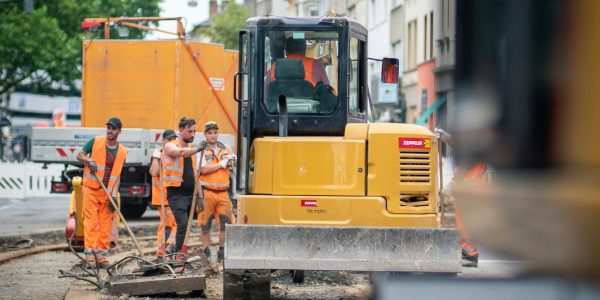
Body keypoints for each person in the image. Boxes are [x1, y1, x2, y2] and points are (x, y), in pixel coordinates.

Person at [76, 117, 128, 268]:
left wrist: (114, 194)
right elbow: (79, 155)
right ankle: (90, 257)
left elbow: (117, 175)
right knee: (90, 222)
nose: (110, 131)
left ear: (119, 131)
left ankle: (101, 257)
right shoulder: (95, 141)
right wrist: (89, 160)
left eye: (113, 129)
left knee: (106, 224)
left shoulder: (122, 152)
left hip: (108, 192)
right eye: (109, 128)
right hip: (91, 189)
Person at [435, 128, 485, 267]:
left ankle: (469, 254)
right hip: (471, 186)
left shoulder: (474, 144)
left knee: (464, 221)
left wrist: (452, 183)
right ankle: (466, 252)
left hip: (470, 187)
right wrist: (444, 136)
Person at [162, 117, 206, 254]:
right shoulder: (170, 145)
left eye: (194, 131)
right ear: (181, 130)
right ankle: (178, 254)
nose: (192, 134)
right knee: (182, 224)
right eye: (189, 131)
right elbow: (178, 153)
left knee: (186, 227)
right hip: (176, 193)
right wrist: (198, 149)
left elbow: (196, 173)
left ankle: (180, 253)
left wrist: (200, 196)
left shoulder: (192, 150)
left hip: (189, 195)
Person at [197, 121, 236, 263]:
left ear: (217, 133)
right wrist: (221, 164)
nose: (213, 136)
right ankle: (206, 251)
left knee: (226, 224)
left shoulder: (226, 148)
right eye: (209, 133)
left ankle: (222, 251)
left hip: (223, 192)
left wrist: (231, 161)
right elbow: (203, 170)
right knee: (205, 224)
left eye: (215, 133)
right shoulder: (201, 150)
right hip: (207, 193)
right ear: (205, 134)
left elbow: (232, 165)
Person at [149, 129, 178, 255]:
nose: (172, 141)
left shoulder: (174, 153)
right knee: (168, 225)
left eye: (174, 139)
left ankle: (167, 248)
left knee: (173, 224)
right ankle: (164, 249)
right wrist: (156, 156)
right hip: (163, 197)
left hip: (172, 196)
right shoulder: (159, 154)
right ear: (164, 141)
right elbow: (154, 172)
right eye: (170, 139)